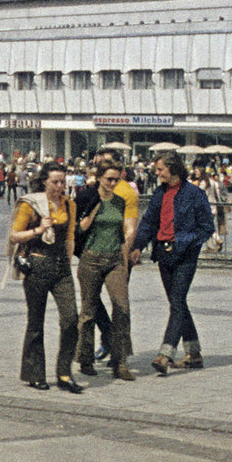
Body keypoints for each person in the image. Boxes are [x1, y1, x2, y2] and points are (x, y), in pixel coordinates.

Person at [128, 154, 216, 372]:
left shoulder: (195, 194)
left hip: (185, 255)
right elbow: (149, 222)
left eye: (160, 169)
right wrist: (138, 245)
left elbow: (207, 227)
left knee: (177, 300)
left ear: (173, 168)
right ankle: (193, 353)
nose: (156, 173)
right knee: (178, 302)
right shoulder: (160, 193)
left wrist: (185, 242)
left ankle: (165, 353)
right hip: (163, 252)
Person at [10, 162, 80, 393]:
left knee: (71, 319)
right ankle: (35, 372)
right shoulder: (31, 205)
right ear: (44, 182)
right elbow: (14, 236)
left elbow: (69, 238)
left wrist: (68, 264)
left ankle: (64, 371)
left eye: (63, 182)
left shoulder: (70, 205)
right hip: (38, 265)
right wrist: (38, 230)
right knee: (36, 322)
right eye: (55, 182)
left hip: (60, 267)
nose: (60, 186)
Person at [73, 162, 138, 380]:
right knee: (88, 311)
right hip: (90, 258)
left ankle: (120, 361)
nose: (112, 183)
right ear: (99, 178)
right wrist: (92, 212)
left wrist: (126, 253)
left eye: (116, 179)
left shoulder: (120, 202)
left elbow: (127, 230)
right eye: (109, 179)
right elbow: (78, 228)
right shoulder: (89, 198)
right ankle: (85, 358)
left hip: (115, 258)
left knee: (122, 308)